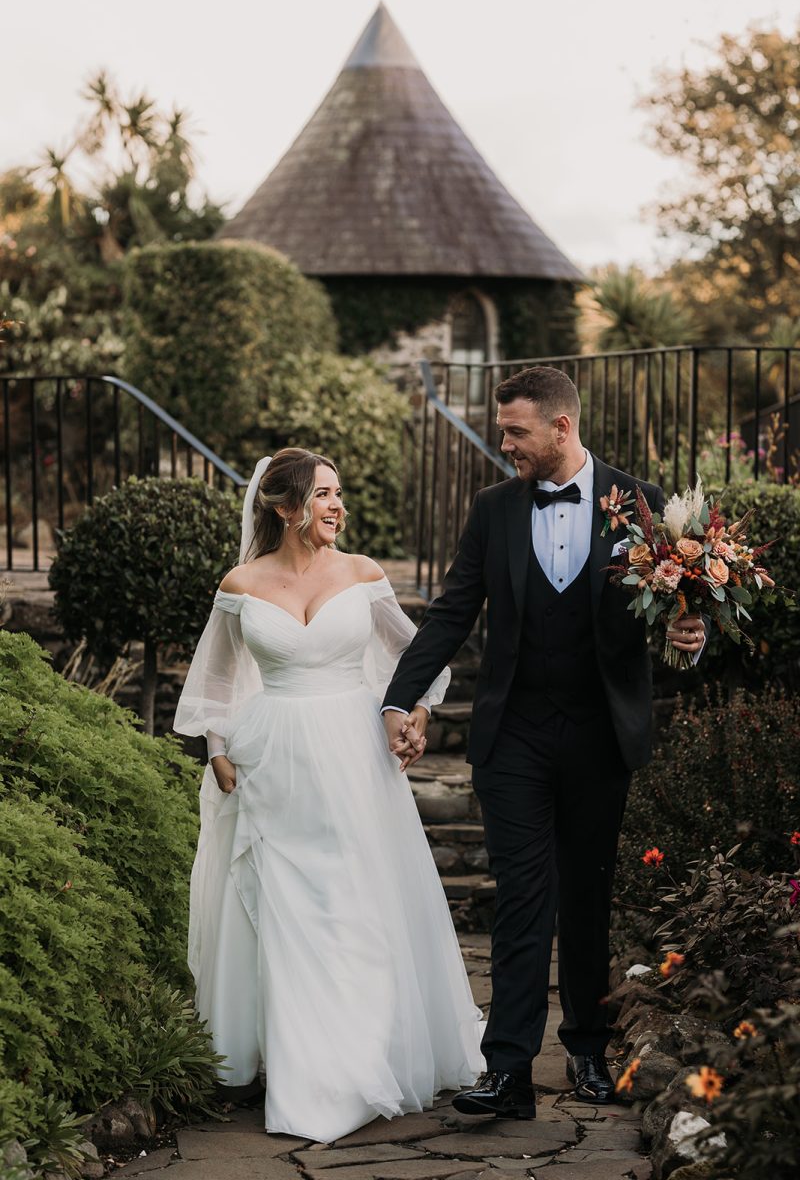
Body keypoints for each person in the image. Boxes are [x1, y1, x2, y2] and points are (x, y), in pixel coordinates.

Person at [382, 366, 705, 1118]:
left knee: (587, 897)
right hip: (515, 734)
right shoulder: (493, 510)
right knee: (523, 899)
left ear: (562, 428)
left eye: (517, 432)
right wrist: (400, 698)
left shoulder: (640, 504)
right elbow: (453, 611)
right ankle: (509, 1071)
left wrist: (691, 635)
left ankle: (589, 1052)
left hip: (600, 735)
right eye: (504, 432)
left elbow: (681, 605)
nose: (506, 446)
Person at [173, 447, 482, 1143]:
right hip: (270, 762)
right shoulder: (242, 583)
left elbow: (418, 659)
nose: (338, 506)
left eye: (339, 493)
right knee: (288, 909)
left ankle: (357, 1060)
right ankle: (301, 1066)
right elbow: (216, 683)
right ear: (285, 508)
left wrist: (418, 714)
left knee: (351, 904)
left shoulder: (363, 575)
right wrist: (218, 751)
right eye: (323, 494)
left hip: (353, 760)